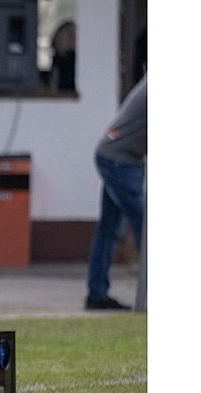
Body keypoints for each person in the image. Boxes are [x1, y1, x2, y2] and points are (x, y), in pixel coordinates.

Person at [85, 77, 146, 310]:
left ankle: (97, 294)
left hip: (115, 156)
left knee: (109, 229)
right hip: (120, 161)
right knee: (146, 228)